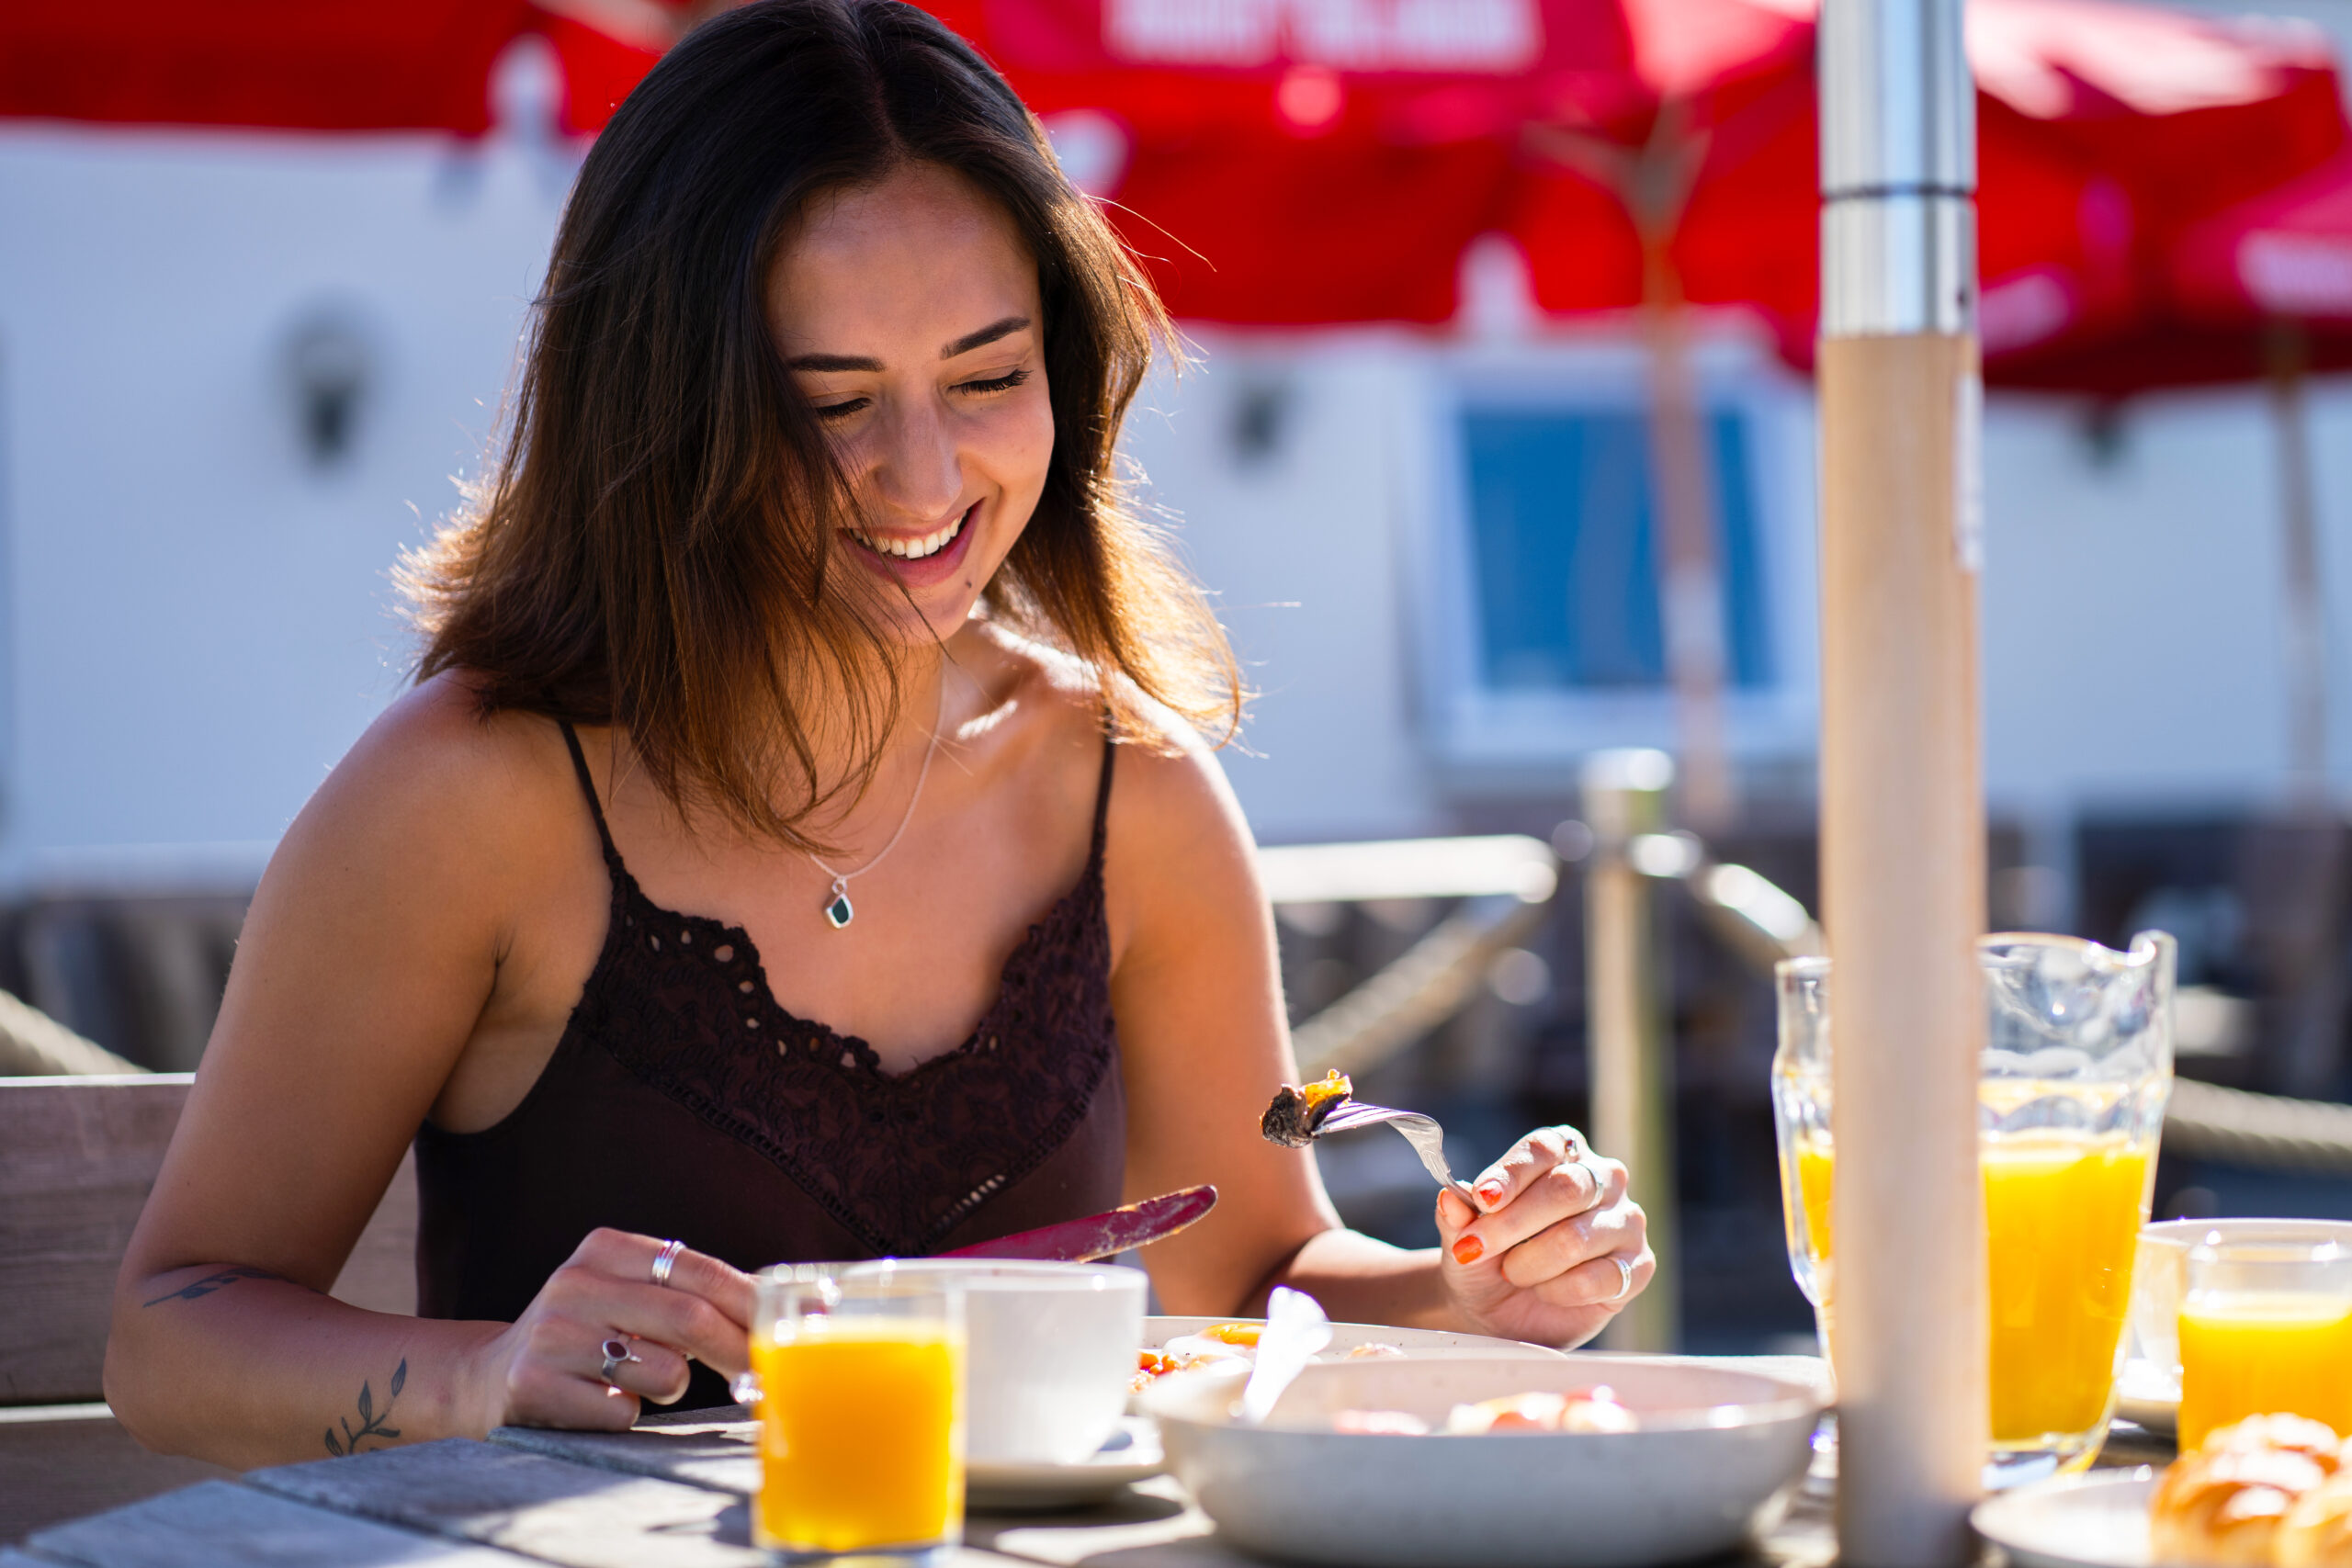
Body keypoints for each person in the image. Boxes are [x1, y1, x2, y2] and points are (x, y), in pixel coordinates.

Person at [105, 0, 1652, 1470]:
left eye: (987, 378)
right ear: (662, 407)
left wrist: (1480, 1290)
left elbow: (1252, 1278)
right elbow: (168, 1336)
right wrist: (480, 1372)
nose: (924, 482)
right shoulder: (472, 793)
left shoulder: (1133, 786)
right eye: (830, 404)